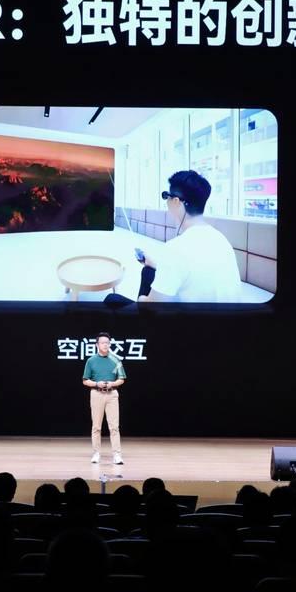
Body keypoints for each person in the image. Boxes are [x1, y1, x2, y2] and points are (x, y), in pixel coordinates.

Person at [135, 170, 242, 302]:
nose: (166, 201)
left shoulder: (176, 248)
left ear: (176, 201)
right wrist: (157, 265)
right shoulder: (221, 239)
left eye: (166, 196)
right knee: (148, 272)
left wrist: (141, 299)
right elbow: (197, 272)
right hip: (228, 314)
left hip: (191, 315)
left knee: (114, 299)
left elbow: (152, 307)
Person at [82, 331, 126, 465]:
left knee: (114, 427)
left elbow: (122, 379)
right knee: (96, 426)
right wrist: (97, 384)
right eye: (102, 343)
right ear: (97, 345)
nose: (105, 345)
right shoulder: (91, 360)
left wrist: (112, 383)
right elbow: (85, 380)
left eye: (107, 342)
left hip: (112, 394)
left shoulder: (116, 360)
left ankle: (117, 455)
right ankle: (96, 453)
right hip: (97, 393)